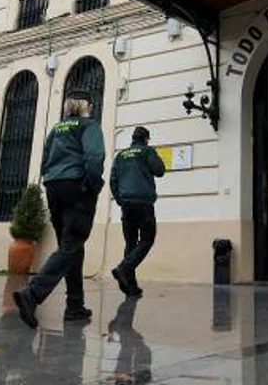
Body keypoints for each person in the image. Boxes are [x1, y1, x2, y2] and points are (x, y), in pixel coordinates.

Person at [13, 88, 106, 328]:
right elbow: (95, 157)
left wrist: (51, 179)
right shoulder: (88, 125)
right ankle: (32, 294)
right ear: (87, 106)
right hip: (77, 186)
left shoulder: (57, 129)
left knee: (70, 246)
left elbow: (44, 160)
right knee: (72, 243)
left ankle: (75, 306)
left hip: (54, 187)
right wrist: (93, 186)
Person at [109, 126, 165, 297]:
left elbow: (113, 180)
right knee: (147, 239)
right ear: (146, 139)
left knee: (131, 243)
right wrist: (151, 153)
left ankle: (130, 287)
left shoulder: (121, 155)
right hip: (143, 203)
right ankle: (124, 268)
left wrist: (120, 200)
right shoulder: (147, 151)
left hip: (126, 203)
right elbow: (160, 171)